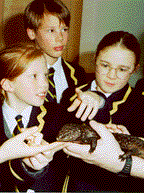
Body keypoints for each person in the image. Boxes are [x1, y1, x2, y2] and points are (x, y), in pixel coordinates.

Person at [60, 31, 144, 192]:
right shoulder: (71, 94)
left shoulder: (139, 103)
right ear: (95, 60)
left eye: (122, 69)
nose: (111, 75)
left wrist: (100, 101)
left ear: (134, 70)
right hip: (73, 186)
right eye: (105, 65)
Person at [0, 43, 67, 192]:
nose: (44, 84)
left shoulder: (57, 115)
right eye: (34, 76)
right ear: (8, 85)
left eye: (46, 75)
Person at [24, 0, 87, 104]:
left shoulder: (77, 73)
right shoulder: (20, 74)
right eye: (51, 30)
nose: (60, 38)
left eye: (64, 29)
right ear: (32, 33)